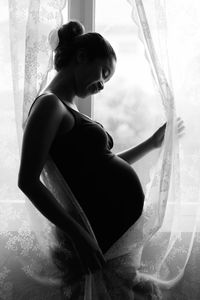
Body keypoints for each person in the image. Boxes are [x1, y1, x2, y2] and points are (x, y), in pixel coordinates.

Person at [18, 20, 183, 299]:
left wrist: (152, 144)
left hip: (109, 244)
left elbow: (101, 167)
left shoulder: (66, 107)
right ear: (82, 57)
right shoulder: (50, 104)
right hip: (91, 240)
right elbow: (28, 181)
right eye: (104, 72)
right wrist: (79, 236)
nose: (103, 85)